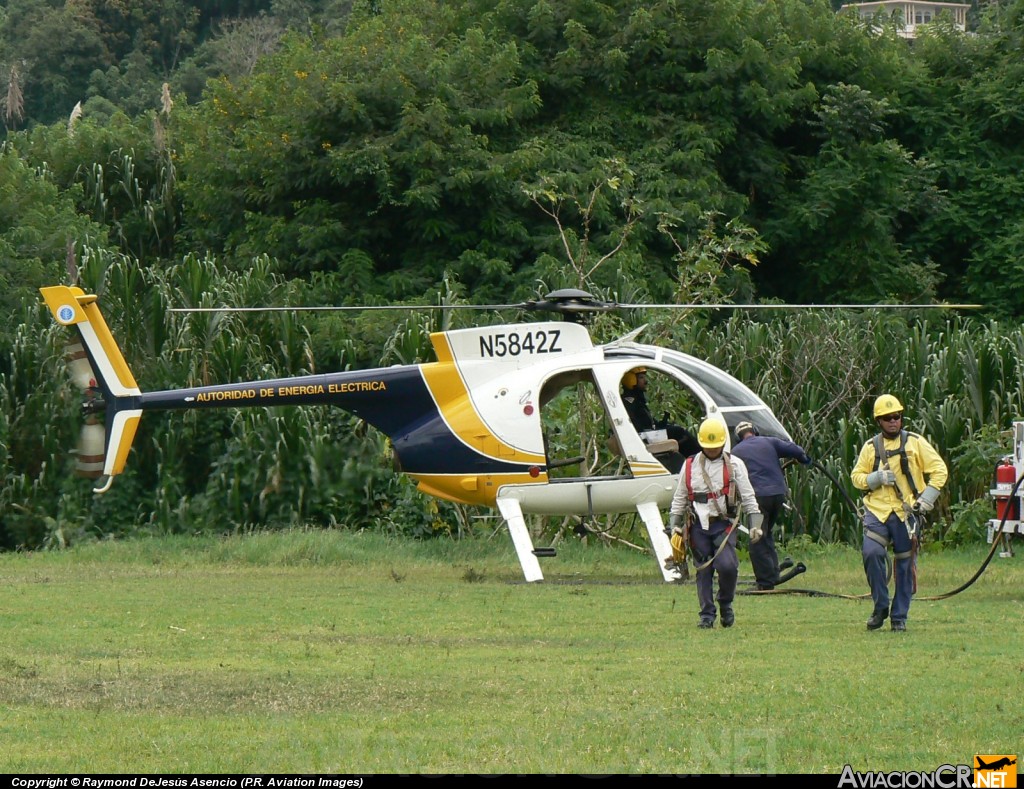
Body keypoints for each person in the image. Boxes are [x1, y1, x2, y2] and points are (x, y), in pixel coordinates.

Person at [850, 394, 948, 633]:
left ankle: (899, 617)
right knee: (872, 553)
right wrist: (876, 478)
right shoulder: (871, 447)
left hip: (907, 514)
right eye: (887, 418)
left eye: (897, 417)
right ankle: (880, 605)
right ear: (878, 421)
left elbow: (939, 470)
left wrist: (926, 500)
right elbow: (856, 478)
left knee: (904, 566)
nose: (893, 421)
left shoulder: (915, 443)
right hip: (877, 511)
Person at [667, 417, 764, 629]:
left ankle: (726, 603)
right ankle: (706, 615)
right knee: (703, 569)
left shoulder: (735, 464)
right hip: (697, 526)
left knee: (727, 567)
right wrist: (673, 524)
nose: (712, 451)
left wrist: (755, 523)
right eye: (708, 447)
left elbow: (748, 497)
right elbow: (680, 497)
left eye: (716, 447)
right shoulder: (690, 465)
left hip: (724, 524)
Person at [731, 421, 812, 590]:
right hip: (778, 495)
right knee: (765, 533)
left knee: (757, 538)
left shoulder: (735, 452)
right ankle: (772, 571)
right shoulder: (770, 441)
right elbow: (797, 450)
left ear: (738, 438)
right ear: (755, 431)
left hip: (757, 498)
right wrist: (804, 460)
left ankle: (765, 582)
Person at [620, 368, 700, 470]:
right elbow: (638, 426)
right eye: (641, 377)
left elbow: (648, 422)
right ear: (631, 380)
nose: (645, 381)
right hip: (644, 438)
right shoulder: (630, 401)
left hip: (647, 435)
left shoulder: (636, 399)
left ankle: (692, 463)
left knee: (675, 429)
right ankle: (699, 460)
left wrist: (662, 424)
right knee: (680, 433)